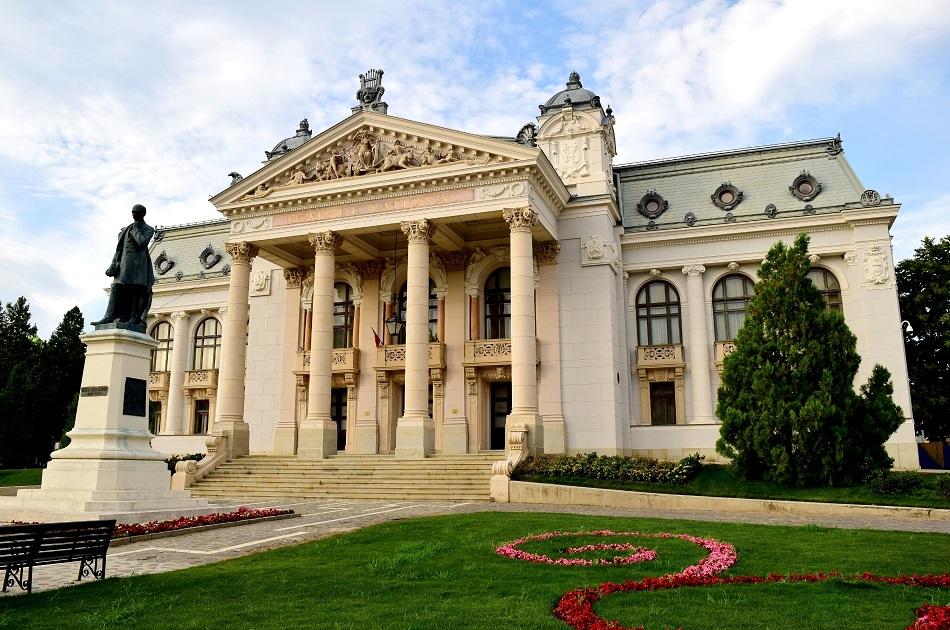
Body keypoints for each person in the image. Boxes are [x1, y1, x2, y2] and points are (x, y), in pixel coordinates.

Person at [92, 204, 155, 331]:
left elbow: (142, 242)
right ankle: (109, 316)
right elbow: (118, 250)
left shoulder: (148, 229)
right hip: (123, 265)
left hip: (138, 267)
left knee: (134, 290)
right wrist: (113, 264)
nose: (133, 214)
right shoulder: (125, 230)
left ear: (143, 214)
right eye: (132, 212)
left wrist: (135, 228)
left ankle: (133, 317)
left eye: (136, 212)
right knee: (116, 287)